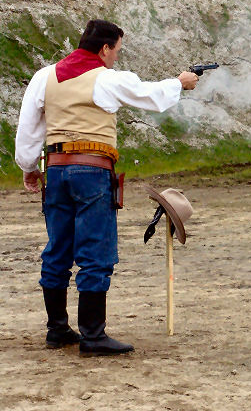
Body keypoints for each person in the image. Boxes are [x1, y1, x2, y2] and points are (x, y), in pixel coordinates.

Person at [14, 19, 199, 356]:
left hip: (55, 172)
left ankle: (57, 330)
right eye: (116, 50)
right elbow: (151, 95)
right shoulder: (107, 79)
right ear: (104, 48)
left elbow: (29, 128)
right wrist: (180, 82)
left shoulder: (45, 76)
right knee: (95, 252)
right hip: (92, 172)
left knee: (57, 250)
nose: (116, 57)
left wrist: (29, 167)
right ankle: (93, 336)